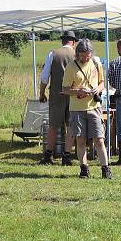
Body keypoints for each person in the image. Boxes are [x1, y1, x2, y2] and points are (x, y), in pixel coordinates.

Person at [61, 38, 112, 179]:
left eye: (87, 55)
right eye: (82, 55)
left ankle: (105, 168)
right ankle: (84, 168)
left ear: (91, 53)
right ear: (77, 54)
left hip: (94, 107)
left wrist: (97, 89)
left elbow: (102, 82)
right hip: (77, 109)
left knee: (99, 139)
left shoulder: (96, 63)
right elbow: (64, 89)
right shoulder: (71, 67)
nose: (85, 58)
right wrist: (77, 91)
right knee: (81, 139)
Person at [38, 30, 77, 165]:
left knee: (53, 126)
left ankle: (48, 155)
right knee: (71, 126)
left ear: (62, 41)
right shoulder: (78, 55)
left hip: (56, 94)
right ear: (74, 42)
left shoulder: (53, 54)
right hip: (73, 95)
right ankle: (67, 156)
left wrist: (41, 93)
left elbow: (44, 77)